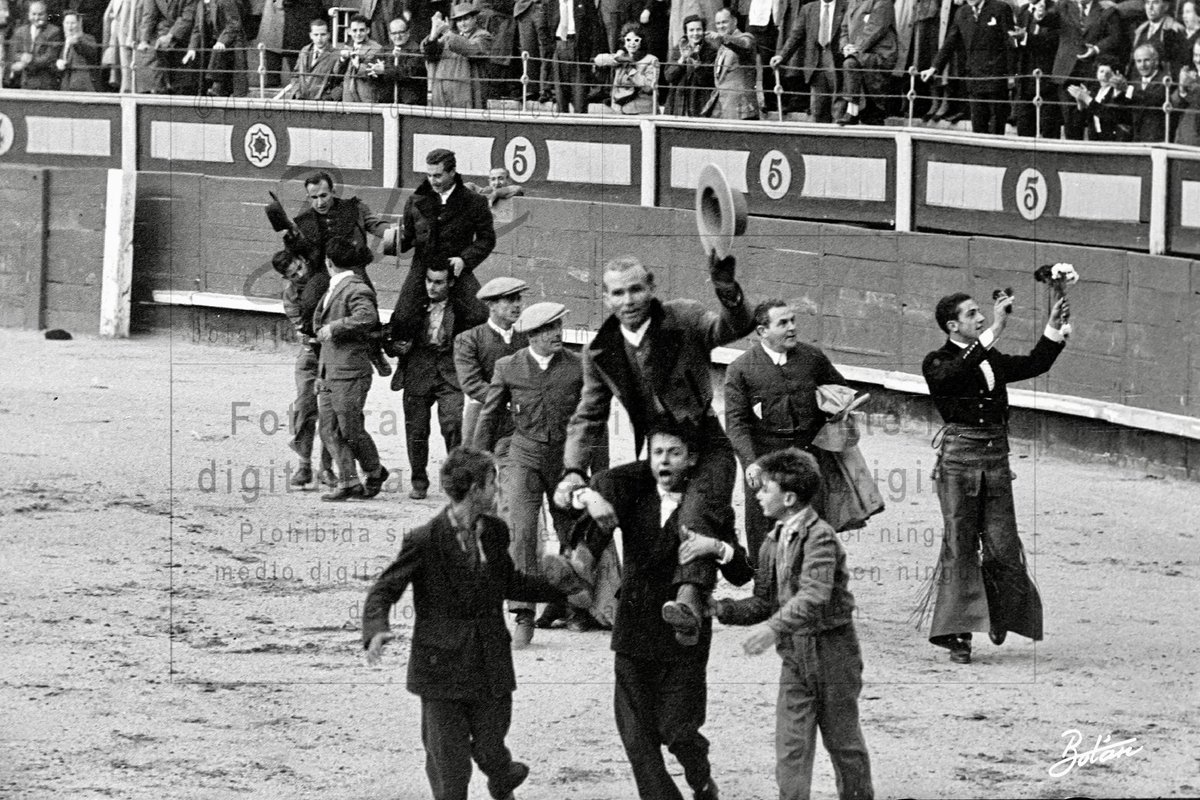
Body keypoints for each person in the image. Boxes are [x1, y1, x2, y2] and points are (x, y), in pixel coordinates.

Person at [554, 252, 756, 643]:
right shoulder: (599, 350)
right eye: (618, 293)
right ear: (605, 298)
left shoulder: (684, 318)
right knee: (606, 484)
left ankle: (689, 600)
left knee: (695, 516)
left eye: (635, 290)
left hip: (706, 445)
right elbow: (588, 415)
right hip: (659, 452)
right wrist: (574, 469)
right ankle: (580, 565)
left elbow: (734, 326)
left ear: (652, 288)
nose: (628, 300)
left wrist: (726, 288)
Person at [362, 447, 568, 800]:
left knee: (491, 744)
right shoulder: (425, 539)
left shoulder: (495, 532)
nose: (498, 490)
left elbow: (508, 582)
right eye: (493, 483)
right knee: (449, 763)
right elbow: (386, 588)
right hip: (440, 669)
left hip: (489, 661)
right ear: (475, 489)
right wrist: (376, 628)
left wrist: (560, 588)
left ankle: (501, 778)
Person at [558, 425, 739, 800]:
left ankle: (700, 777)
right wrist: (585, 495)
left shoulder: (710, 505)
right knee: (636, 736)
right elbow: (574, 497)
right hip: (635, 625)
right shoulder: (634, 495)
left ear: (692, 459)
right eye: (657, 453)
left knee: (679, 730)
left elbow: (742, 572)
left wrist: (718, 548)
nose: (664, 461)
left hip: (684, 635)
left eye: (674, 453)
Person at [919, 290, 1069, 664]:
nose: (982, 318)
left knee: (1003, 544)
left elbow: (1035, 364)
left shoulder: (988, 356)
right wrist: (997, 328)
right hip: (959, 462)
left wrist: (1053, 328)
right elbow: (958, 372)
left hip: (995, 457)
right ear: (953, 325)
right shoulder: (937, 362)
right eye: (972, 314)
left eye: (981, 313)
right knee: (961, 545)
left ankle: (996, 613)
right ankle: (957, 633)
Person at [714, 448, 874, 800]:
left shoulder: (821, 537)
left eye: (765, 489)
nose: (757, 495)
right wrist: (720, 609)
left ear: (788, 498)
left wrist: (773, 628)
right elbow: (763, 601)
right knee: (791, 748)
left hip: (834, 654)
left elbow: (815, 594)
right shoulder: (772, 542)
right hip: (796, 658)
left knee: (844, 744)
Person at [474, 303, 602, 647]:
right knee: (521, 530)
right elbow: (489, 416)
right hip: (524, 456)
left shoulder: (579, 366)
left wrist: (599, 472)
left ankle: (573, 605)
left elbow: (595, 421)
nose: (557, 334)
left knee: (572, 530)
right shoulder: (508, 366)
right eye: (547, 329)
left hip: (566, 462)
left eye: (558, 326)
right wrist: (477, 462)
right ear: (531, 335)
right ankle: (523, 613)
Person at [724, 300, 847, 568]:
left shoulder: (812, 358)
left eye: (793, 321)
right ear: (762, 331)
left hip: (808, 459)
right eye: (783, 323)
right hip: (765, 462)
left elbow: (841, 391)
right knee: (764, 536)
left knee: (811, 532)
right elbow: (736, 424)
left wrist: (839, 407)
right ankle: (765, 586)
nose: (792, 328)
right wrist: (751, 463)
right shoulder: (740, 368)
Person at [390, 148, 496, 352]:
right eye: (429, 175)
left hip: (455, 267)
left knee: (478, 315)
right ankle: (408, 362)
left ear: (452, 172)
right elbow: (408, 238)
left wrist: (464, 259)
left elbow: (487, 239)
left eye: (438, 175)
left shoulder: (474, 201)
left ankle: (462, 355)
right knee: (403, 317)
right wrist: (395, 239)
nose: (433, 181)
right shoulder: (415, 200)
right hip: (423, 267)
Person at [394, 260, 483, 500]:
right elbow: (393, 335)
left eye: (439, 282)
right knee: (416, 430)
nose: (431, 287)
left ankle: (457, 482)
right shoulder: (412, 305)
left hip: (449, 373)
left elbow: (481, 315)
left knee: (453, 424)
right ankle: (419, 481)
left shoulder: (462, 308)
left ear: (451, 283)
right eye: (428, 281)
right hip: (418, 370)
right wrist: (398, 347)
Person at [312, 238, 391, 502]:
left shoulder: (355, 288)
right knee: (328, 429)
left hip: (349, 371)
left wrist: (334, 327)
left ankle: (374, 470)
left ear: (328, 262)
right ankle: (349, 482)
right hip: (330, 369)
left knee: (350, 429)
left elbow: (367, 317)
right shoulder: (341, 286)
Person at [273, 248, 335, 490]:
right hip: (310, 351)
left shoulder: (328, 280)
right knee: (303, 407)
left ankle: (327, 468)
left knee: (331, 411)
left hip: (333, 352)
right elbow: (304, 331)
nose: (300, 275)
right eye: (293, 274)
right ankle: (304, 465)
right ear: (286, 278)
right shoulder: (290, 295)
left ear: (304, 260)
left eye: (300, 267)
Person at [454, 276, 529, 449]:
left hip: (519, 416)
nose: (517, 305)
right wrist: (507, 401)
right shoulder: (469, 339)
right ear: (491, 305)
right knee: (476, 461)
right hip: (482, 412)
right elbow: (471, 383)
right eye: (509, 300)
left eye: (518, 299)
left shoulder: (525, 339)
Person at [920, 0, 1015, 136]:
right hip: (974, 77)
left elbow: (1010, 44)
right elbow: (950, 42)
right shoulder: (962, 12)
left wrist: (1012, 75)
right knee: (978, 126)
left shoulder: (1000, 8)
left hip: (996, 77)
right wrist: (934, 67)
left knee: (996, 127)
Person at [1049, 0, 1124, 139]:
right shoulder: (1063, 5)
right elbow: (1047, 20)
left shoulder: (1107, 9)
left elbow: (1115, 37)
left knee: (1093, 118)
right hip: (1066, 72)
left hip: (1093, 72)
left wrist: (1096, 49)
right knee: (1070, 120)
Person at [771, 0, 849, 123]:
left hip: (838, 64)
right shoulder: (808, 9)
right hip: (815, 64)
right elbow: (796, 35)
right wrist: (782, 56)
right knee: (818, 111)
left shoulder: (846, 7)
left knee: (839, 110)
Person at [836, 0, 896, 125]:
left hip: (879, 53)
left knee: (850, 64)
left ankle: (852, 111)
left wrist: (856, 48)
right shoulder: (853, 2)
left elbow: (875, 28)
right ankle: (853, 110)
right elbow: (844, 28)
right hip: (859, 53)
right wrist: (845, 46)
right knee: (850, 64)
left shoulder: (883, 2)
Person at [423, 3, 493, 108]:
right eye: (459, 20)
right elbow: (429, 54)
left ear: (474, 19)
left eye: (466, 19)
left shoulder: (483, 36)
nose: (462, 24)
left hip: (467, 94)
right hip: (444, 94)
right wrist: (433, 35)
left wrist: (447, 32)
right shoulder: (449, 37)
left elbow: (472, 49)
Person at [1010, 0, 1061, 139]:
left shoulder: (1055, 10)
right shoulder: (1024, 10)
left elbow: (1051, 41)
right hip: (1025, 82)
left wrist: (1025, 37)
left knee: (1049, 132)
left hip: (1047, 83)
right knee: (1024, 131)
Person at [547, 0, 605, 113]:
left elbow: (594, 27)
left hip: (578, 47)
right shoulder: (552, 3)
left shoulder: (584, 2)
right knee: (560, 96)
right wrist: (551, 48)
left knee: (580, 97)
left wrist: (593, 55)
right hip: (558, 46)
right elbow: (545, 26)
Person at [183, 0, 248, 97]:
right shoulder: (201, 4)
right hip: (213, 45)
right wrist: (192, 49)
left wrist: (222, 41)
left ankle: (218, 87)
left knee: (235, 84)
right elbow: (197, 29)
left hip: (232, 43)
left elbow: (234, 24)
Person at [594, 21, 660, 113]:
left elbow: (649, 87)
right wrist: (617, 59)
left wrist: (631, 72)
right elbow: (598, 60)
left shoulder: (651, 59)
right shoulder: (622, 57)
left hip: (641, 109)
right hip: (619, 108)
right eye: (628, 40)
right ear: (624, 41)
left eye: (636, 40)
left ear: (641, 42)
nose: (632, 43)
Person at [703, 8, 757, 118]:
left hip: (741, 110)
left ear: (735, 21)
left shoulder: (746, 38)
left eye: (724, 22)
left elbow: (745, 45)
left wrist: (723, 38)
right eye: (718, 23)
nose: (720, 26)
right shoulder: (722, 46)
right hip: (722, 108)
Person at [1066, 55, 1132, 140]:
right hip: (1094, 139)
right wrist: (1081, 104)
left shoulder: (1117, 92)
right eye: (1101, 71)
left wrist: (1087, 99)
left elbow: (1110, 115)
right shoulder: (1095, 93)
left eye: (1108, 73)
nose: (1104, 76)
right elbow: (1077, 126)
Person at [662, 13, 715, 117]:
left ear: (704, 31)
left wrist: (697, 63)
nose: (695, 33)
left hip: (699, 103)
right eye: (691, 30)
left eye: (698, 29)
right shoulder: (678, 49)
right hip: (677, 103)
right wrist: (682, 59)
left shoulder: (710, 51)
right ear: (686, 32)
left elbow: (708, 81)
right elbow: (668, 76)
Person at [365, 14, 427, 104]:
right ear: (390, 35)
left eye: (401, 32)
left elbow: (409, 71)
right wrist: (374, 71)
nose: (398, 36)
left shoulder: (416, 50)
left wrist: (385, 70)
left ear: (408, 33)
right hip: (387, 101)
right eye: (394, 33)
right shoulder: (385, 50)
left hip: (409, 103)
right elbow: (369, 69)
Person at [137, 0, 194, 93]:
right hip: (161, 32)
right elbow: (149, 15)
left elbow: (187, 18)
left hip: (183, 34)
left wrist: (170, 36)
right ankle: (154, 91)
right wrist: (144, 40)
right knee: (146, 56)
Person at [7, 1, 63, 89]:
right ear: (28, 14)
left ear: (46, 15)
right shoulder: (20, 31)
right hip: (24, 82)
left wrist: (28, 62)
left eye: (40, 14)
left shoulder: (54, 31)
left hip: (45, 82)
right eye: (33, 14)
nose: (36, 18)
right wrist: (22, 57)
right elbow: (13, 53)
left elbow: (49, 57)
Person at [1130, 0, 1187, 77]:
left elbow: (1177, 65)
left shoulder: (1174, 30)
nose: (1150, 7)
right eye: (1147, 3)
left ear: (1166, 6)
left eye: (1155, 3)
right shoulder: (1140, 31)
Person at [1127, 41, 1169, 141]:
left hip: (1155, 139)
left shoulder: (1164, 80)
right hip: (1136, 138)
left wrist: (1126, 89)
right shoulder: (1134, 82)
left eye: (1146, 60)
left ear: (1156, 61)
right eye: (1139, 61)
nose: (1142, 65)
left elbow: (1151, 99)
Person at [292, 17, 342, 100]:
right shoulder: (304, 51)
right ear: (311, 35)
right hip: (301, 99)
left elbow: (341, 82)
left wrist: (330, 97)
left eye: (323, 35)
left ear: (328, 35)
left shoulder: (336, 54)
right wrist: (296, 92)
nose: (319, 39)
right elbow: (295, 74)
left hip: (322, 101)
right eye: (316, 35)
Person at [514, 0, 554, 101]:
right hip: (524, 8)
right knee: (527, 49)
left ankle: (546, 89)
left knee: (546, 49)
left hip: (545, 6)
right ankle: (531, 89)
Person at [339, 12, 384, 102]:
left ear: (368, 30)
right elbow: (337, 72)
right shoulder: (347, 47)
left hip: (366, 98)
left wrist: (358, 66)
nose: (358, 33)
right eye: (355, 30)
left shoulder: (376, 48)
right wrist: (342, 59)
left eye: (362, 30)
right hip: (348, 98)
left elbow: (373, 73)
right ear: (349, 31)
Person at [57, 9, 103, 88]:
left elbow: (90, 51)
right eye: (67, 23)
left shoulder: (88, 38)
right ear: (63, 24)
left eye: (73, 23)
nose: (70, 27)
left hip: (83, 87)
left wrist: (77, 42)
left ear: (79, 24)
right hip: (67, 86)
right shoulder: (64, 42)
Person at [1172, 38, 1200, 144]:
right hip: (1183, 140)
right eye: (1196, 55)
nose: (1198, 60)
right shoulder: (1190, 77)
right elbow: (1173, 105)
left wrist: (1185, 91)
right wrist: (1181, 87)